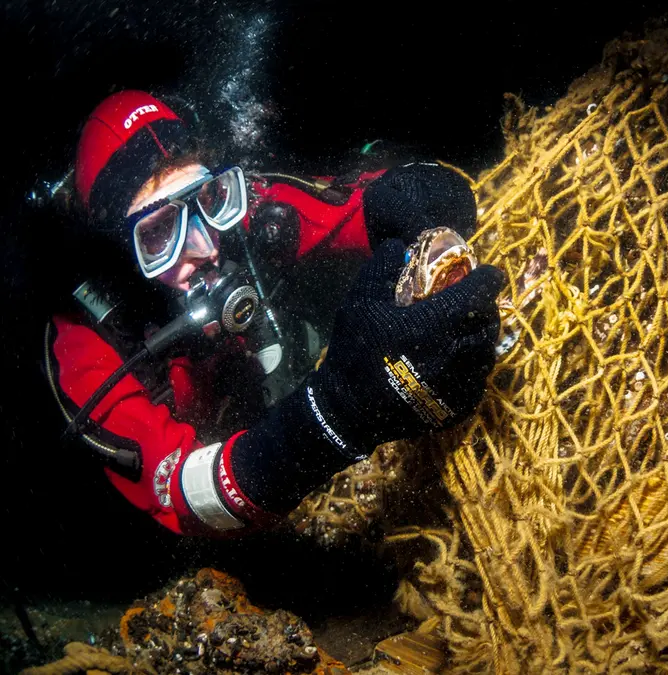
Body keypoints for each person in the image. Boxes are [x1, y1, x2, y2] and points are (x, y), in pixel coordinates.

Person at [45, 90, 503, 536]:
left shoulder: (246, 215)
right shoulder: (83, 344)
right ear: (124, 257)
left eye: (207, 200)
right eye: (161, 232)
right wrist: (336, 411)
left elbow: (350, 206)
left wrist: (410, 199)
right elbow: (182, 492)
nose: (206, 246)